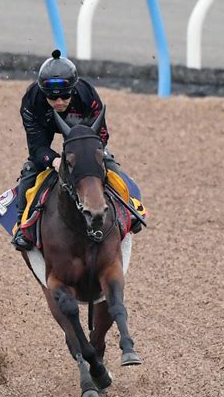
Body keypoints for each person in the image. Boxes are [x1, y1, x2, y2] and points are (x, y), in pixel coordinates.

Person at [11, 49, 138, 251]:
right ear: (43, 93)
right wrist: (53, 161)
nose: (59, 102)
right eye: (52, 99)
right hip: (45, 130)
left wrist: (88, 154)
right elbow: (37, 146)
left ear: (73, 89)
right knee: (29, 172)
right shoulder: (31, 100)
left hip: (85, 134)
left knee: (110, 165)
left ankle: (130, 208)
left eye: (64, 96)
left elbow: (102, 135)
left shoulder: (87, 95)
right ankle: (22, 226)